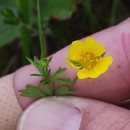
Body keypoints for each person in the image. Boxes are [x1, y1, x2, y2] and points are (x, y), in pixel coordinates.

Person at [0, 18, 130, 130]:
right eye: (86, 58)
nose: (88, 59)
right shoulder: (76, 62)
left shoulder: (98, 64)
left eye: (89, 58)